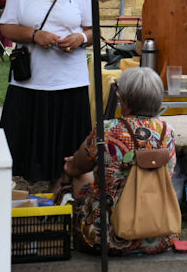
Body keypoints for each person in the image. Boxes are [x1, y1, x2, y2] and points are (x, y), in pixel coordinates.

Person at [0, 0, 94, 187]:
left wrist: (80, 39)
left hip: (69, 82)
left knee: (71, 149)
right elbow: (6, 27)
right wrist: (34, 35)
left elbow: (93, 30)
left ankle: (67, 194)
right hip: (31, 82)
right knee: (27, 148)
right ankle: (29, 194)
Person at [64, 67, 177, 255]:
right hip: (159, 234)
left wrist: (71, 166)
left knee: (81, 173)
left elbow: (78, 168)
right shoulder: (167, 132)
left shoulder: (106, 130)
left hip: (106, 236)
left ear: (124, 101)